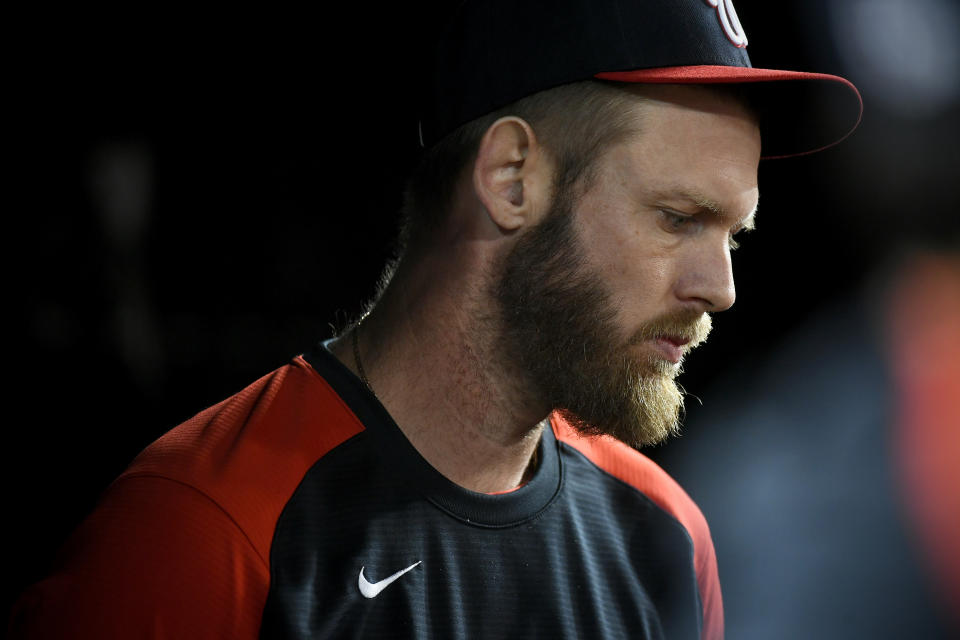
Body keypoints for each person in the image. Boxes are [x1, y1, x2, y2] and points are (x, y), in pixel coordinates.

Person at [9, 1, 861, 638]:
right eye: (678, 217)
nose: (722, 288)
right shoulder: (204, 533)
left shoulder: (666, 538)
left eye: (734, 234)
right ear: (512, 177)